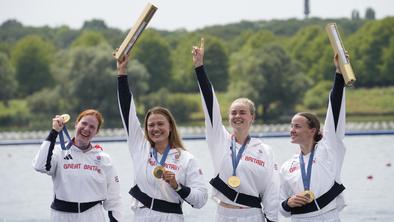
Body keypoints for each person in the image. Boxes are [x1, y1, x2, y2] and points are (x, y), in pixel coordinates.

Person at [192, 38, 279, 222]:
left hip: (253, 215)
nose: (237, 116)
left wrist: (272, 219)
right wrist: (200, 67)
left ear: (252, 117)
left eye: (242, 112)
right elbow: (210, 106)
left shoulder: (264, 151)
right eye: (233, 113)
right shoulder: (219, 140)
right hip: (224, 214)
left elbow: (271, 190)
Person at [116, 54, 208, 221]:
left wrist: (177, 186)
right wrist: (122, 72)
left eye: (160, 124)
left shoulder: (186, 159)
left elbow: (201, 199)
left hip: (170, 217)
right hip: (142, 216)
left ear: (170, 127)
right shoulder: (140, 147)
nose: (155, 129)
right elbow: (126, 111)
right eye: (151, 125)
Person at [279, 53, 348, 221]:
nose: (292, 130)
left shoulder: (329, 149)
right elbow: (281, 207)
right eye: (291, 126)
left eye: (297, 126)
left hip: (327, 217)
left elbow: (335, 111)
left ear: (312, 130)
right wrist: (289, 202)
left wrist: (339, 73)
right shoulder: (287, 166)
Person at [32, 109, 122, 222]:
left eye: (92, 127)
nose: (86, 129)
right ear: (76, 124)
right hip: (62, 216)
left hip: (93, 216)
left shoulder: (104, 159)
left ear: (96, 132)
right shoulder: (59, 152)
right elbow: (40, 165)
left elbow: (114, 198)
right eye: (84, 123)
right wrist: (54, 132)